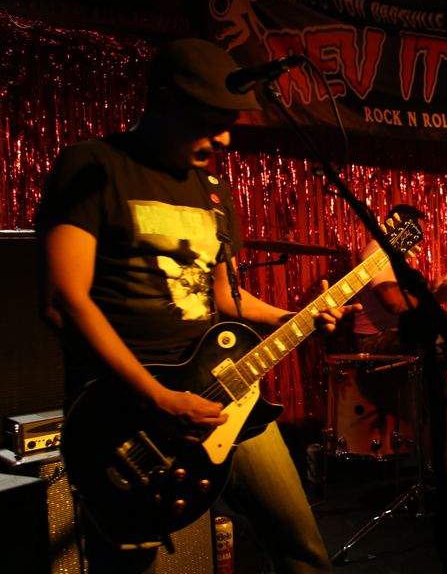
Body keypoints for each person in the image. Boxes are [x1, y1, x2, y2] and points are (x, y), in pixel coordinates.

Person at [36, 38, 359, 574]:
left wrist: (291, 320)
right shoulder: (93, 166)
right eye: (212, 122)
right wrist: (160, 400)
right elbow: (62, 302)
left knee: (302, 552)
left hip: (223, 389)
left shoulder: (211, 189)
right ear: (164, 102)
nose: (225, 138)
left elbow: (225, 297)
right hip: (127, 411)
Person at [352, 204, 447, 355]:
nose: (420, 240)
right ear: (400, 227)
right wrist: (432, 298)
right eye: (416, 232)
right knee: (444, 343)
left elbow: (410, 297)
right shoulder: (377, 250)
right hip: (371, 340)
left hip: (393, 334)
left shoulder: (398, 259)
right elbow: (395, 303)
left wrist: (435, 288)